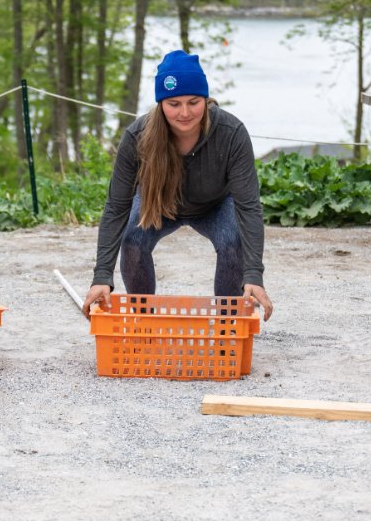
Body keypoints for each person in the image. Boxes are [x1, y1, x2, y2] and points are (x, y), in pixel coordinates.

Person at [82, 50, 274, 321]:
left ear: (206, 100)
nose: (184, 113)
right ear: (160, 103)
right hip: (158, 204)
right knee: (133, 240)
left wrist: (254, 274)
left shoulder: (232, 133)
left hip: (215, 205)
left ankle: (227, 327)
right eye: (174, 104)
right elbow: (117, 207)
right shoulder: (137, 136)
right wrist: (102, 276)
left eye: (193, 102)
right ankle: (144, 323)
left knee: (233, 241)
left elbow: (249, 207)